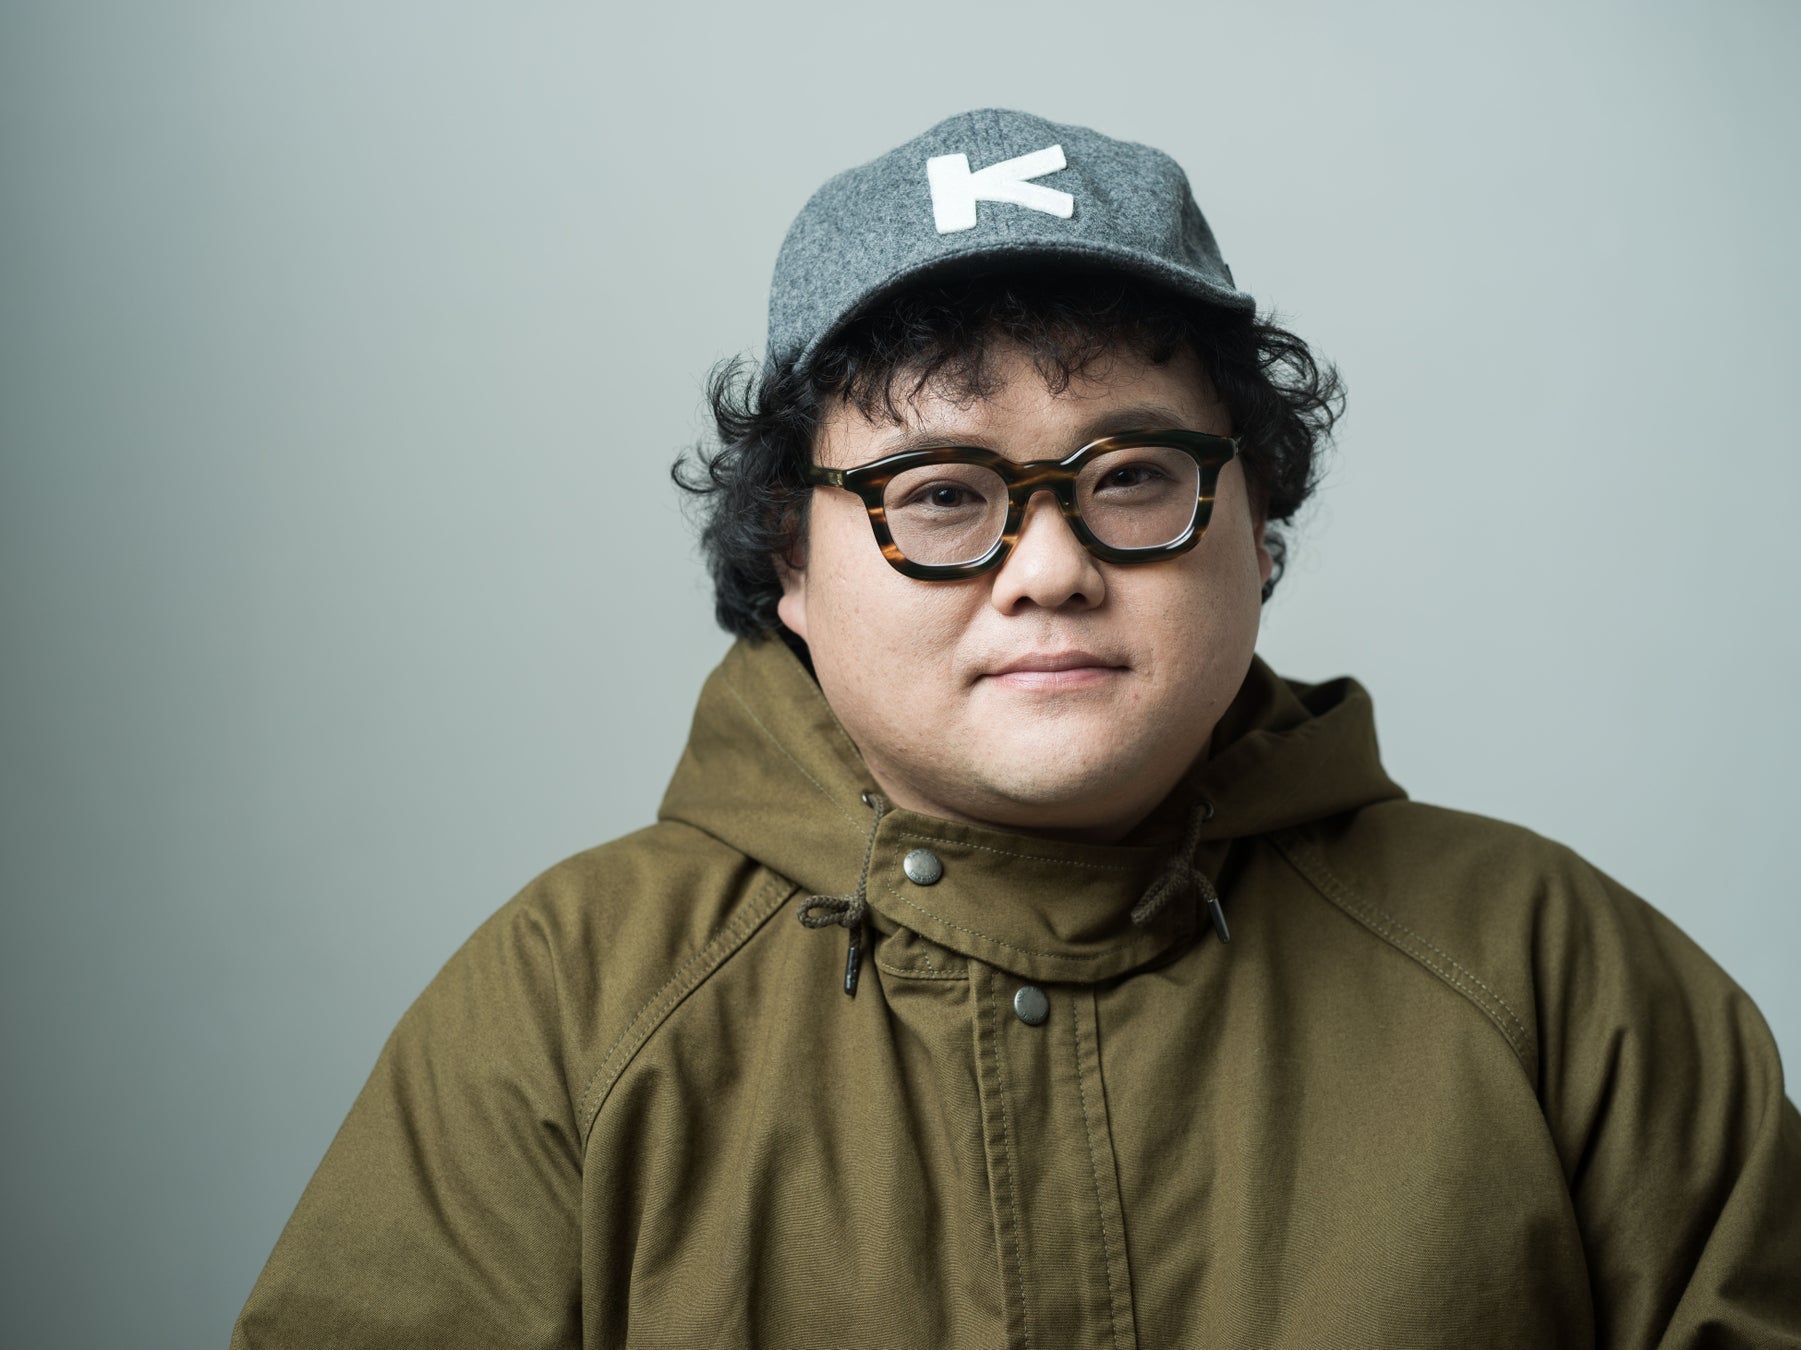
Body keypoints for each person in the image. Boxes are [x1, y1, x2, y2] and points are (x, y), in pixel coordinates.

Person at [231, 109, 1801, 1348]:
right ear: (789, 560)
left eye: (1133, 477)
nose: (1047, 566)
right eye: (940, 495)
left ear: (1256, 524)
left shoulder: (1559, 980)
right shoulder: (564, 1010)